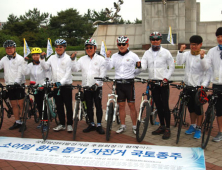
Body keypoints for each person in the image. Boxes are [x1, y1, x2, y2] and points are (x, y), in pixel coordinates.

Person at [141, 32, 175, 139]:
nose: (155, 41)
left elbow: (172, 66)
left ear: (160, 40)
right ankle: (162, 125)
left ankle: (168, 128)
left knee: (165, 106)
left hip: (163, 83)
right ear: (150, 40)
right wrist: (139, 65)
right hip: (153, 83)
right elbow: (143, 66)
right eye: (153, 39)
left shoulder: (166, 52)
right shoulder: (147, 53)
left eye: (157, 39)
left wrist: (166, 78)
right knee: (158, 106)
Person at [176, 35, 211, 139]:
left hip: (198, 87)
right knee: (191, 108)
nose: (193, 47)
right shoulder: (187, 54)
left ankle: (199, 128)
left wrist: (202, 58)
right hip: (188, 86)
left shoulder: (204, 56)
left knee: (198, 109)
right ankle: (193, 125)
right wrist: (180, 52)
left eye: (195, 45)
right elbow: (179, 62)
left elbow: (206, 69)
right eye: (191, 44)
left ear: (200, 45)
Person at [106, 36, 141, 135]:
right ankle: (123, 126)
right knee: (121, 106)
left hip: (129, 84)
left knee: (131, 105)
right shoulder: (114, 56)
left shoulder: (133, 55)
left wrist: (133, 74)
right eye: (119, 44)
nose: (121, 46)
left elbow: (140, 67)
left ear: (127, 45)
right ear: (117, 45)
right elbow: (109, 67)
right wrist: (107, 57)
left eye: (123, 44)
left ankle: (134, 126)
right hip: (119, 84)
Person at [71, 38, 106, 134]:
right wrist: (73, 60)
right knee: (89, 107)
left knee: (98, 106)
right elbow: (75, 69)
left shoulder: (101, 59)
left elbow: (103, 73)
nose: (89, 49)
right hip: (86, 87)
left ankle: (99, 124)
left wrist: (97, 84)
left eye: (91, 47)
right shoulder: (82, 59)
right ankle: (91, 124)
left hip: (97, 87)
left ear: (95, 48)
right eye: (87, 48)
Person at [40, 39, 73, 132]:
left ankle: (70, 124)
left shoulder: (68, 58)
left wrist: (60, 82)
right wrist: (42, 59)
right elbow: (46, 67)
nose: (58, 49)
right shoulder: (52, 58)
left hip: (66, 85)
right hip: (55, 86)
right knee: (59, 106)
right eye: (57, 47)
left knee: (68, 105)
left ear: (64, 48)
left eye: (60, 47)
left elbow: (68, 73)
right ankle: (62, 124)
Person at [22, 47, 51, 131]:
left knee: (43, 105)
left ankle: (46, 122)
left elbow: (48, 76)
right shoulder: (30, 65)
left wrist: (45, 85)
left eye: (37, 55)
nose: (35, 56)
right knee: (38, 104)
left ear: (40, 55)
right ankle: (42, 121)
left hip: (44, 86)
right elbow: (25, 72)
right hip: (35, 87)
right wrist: (25, 62)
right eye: (33, 55)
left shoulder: (44, 64)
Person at [201, 27, 222, 142]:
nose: (220, 39)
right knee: (219, 110)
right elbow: (206, 67)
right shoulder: (213, 51)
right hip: (217, 84)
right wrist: (202, 58)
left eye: (221, 36)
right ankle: (220, 132)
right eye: (218, 36)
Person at [0, 40, 25, 131]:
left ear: (14, 48)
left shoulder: (20, 59)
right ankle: (17, 121)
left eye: (11, 48)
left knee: (21, 104)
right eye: (7, 48)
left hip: (18, 85)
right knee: (14, 104)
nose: (9, 50)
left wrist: (16, 82)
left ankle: (23, 122)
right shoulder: (4, 59)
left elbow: (20, 73)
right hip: (9, 85)